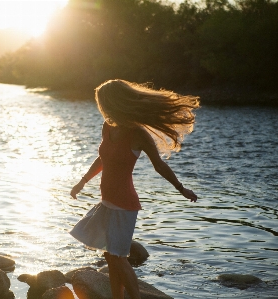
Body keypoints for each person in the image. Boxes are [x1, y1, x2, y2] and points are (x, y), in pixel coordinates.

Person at [69, 79, 199, 299]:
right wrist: (82, 182)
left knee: (118, 257)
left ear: (115, 103)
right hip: (107, 202)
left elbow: (159, 165)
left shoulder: (137, 134)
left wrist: (181, 188)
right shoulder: (108, 126)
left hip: (124, 205)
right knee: (111, 257)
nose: (102, 108)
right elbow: (103, 158)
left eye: (104, 103)